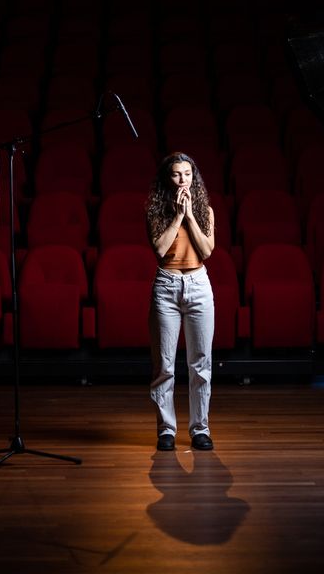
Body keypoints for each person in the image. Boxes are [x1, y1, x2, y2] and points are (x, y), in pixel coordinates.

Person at [146, 152, 216, 452]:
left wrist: (190, 216)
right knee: (164, 365)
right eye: (176, 174)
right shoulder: (155, 210)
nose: (182, 180)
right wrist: (176, 216)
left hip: (198, 285)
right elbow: (160, 250)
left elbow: (207, 251)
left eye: (187, 174)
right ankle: (166, 430)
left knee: (201, 364)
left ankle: (200, 429)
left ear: (193, 177)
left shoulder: (205, 210)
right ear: (168, 178)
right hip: (167, 286)